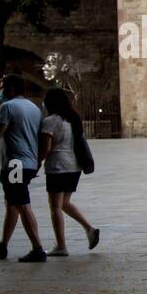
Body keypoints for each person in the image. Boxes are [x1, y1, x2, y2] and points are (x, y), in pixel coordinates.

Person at [0, 73, 46, 262]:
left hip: (14, 164)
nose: (0, 89)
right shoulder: (33, 108)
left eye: (2, 86)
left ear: (11, 89)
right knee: (12, 204)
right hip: (28, 162)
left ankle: (38, 248)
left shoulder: (7, 107)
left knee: (21, 204)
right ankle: (3, 246)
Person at [38, 88, 98, 257]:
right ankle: (90, 229)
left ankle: (61, 245)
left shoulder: (50, 121)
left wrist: (36, 164)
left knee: (55, 206)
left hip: (58, 167)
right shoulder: (73, 119)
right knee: (64, 203)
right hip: (74, 167)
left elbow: (46, 149)